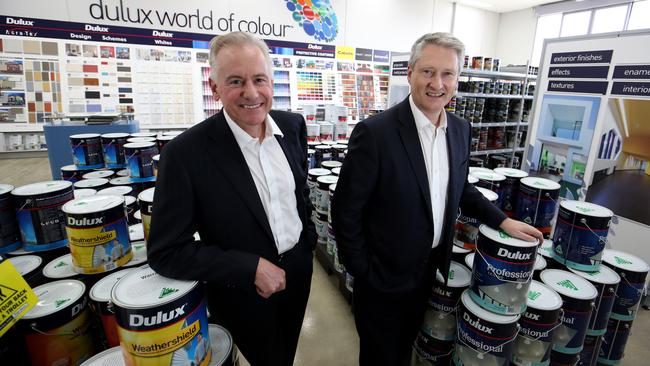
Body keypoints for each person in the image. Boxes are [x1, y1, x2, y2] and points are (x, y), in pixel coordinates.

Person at [331, 32, 543, 366]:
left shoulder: (459, 129)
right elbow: (345, 211)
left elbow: (459, 188)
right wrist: (363, 270)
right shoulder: (375, 133)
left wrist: (502, 220)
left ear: (457, 79)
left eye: (448, 74)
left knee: (403, 348)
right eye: (428, 71)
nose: (437, 83)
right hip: (382, 277)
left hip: (429, 270)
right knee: (378, 356)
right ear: (410, 73)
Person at [147, 31, 314, 366]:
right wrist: (248, 268)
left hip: (298, 273)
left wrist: (306, 243)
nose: (250, 93)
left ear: (271, 81)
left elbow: (300, 195)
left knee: (287, 352)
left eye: (259, 79)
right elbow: (166, 252)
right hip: (242, 293)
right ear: (215, 88)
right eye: (236, 81)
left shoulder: (292, 126)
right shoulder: (185, 155)